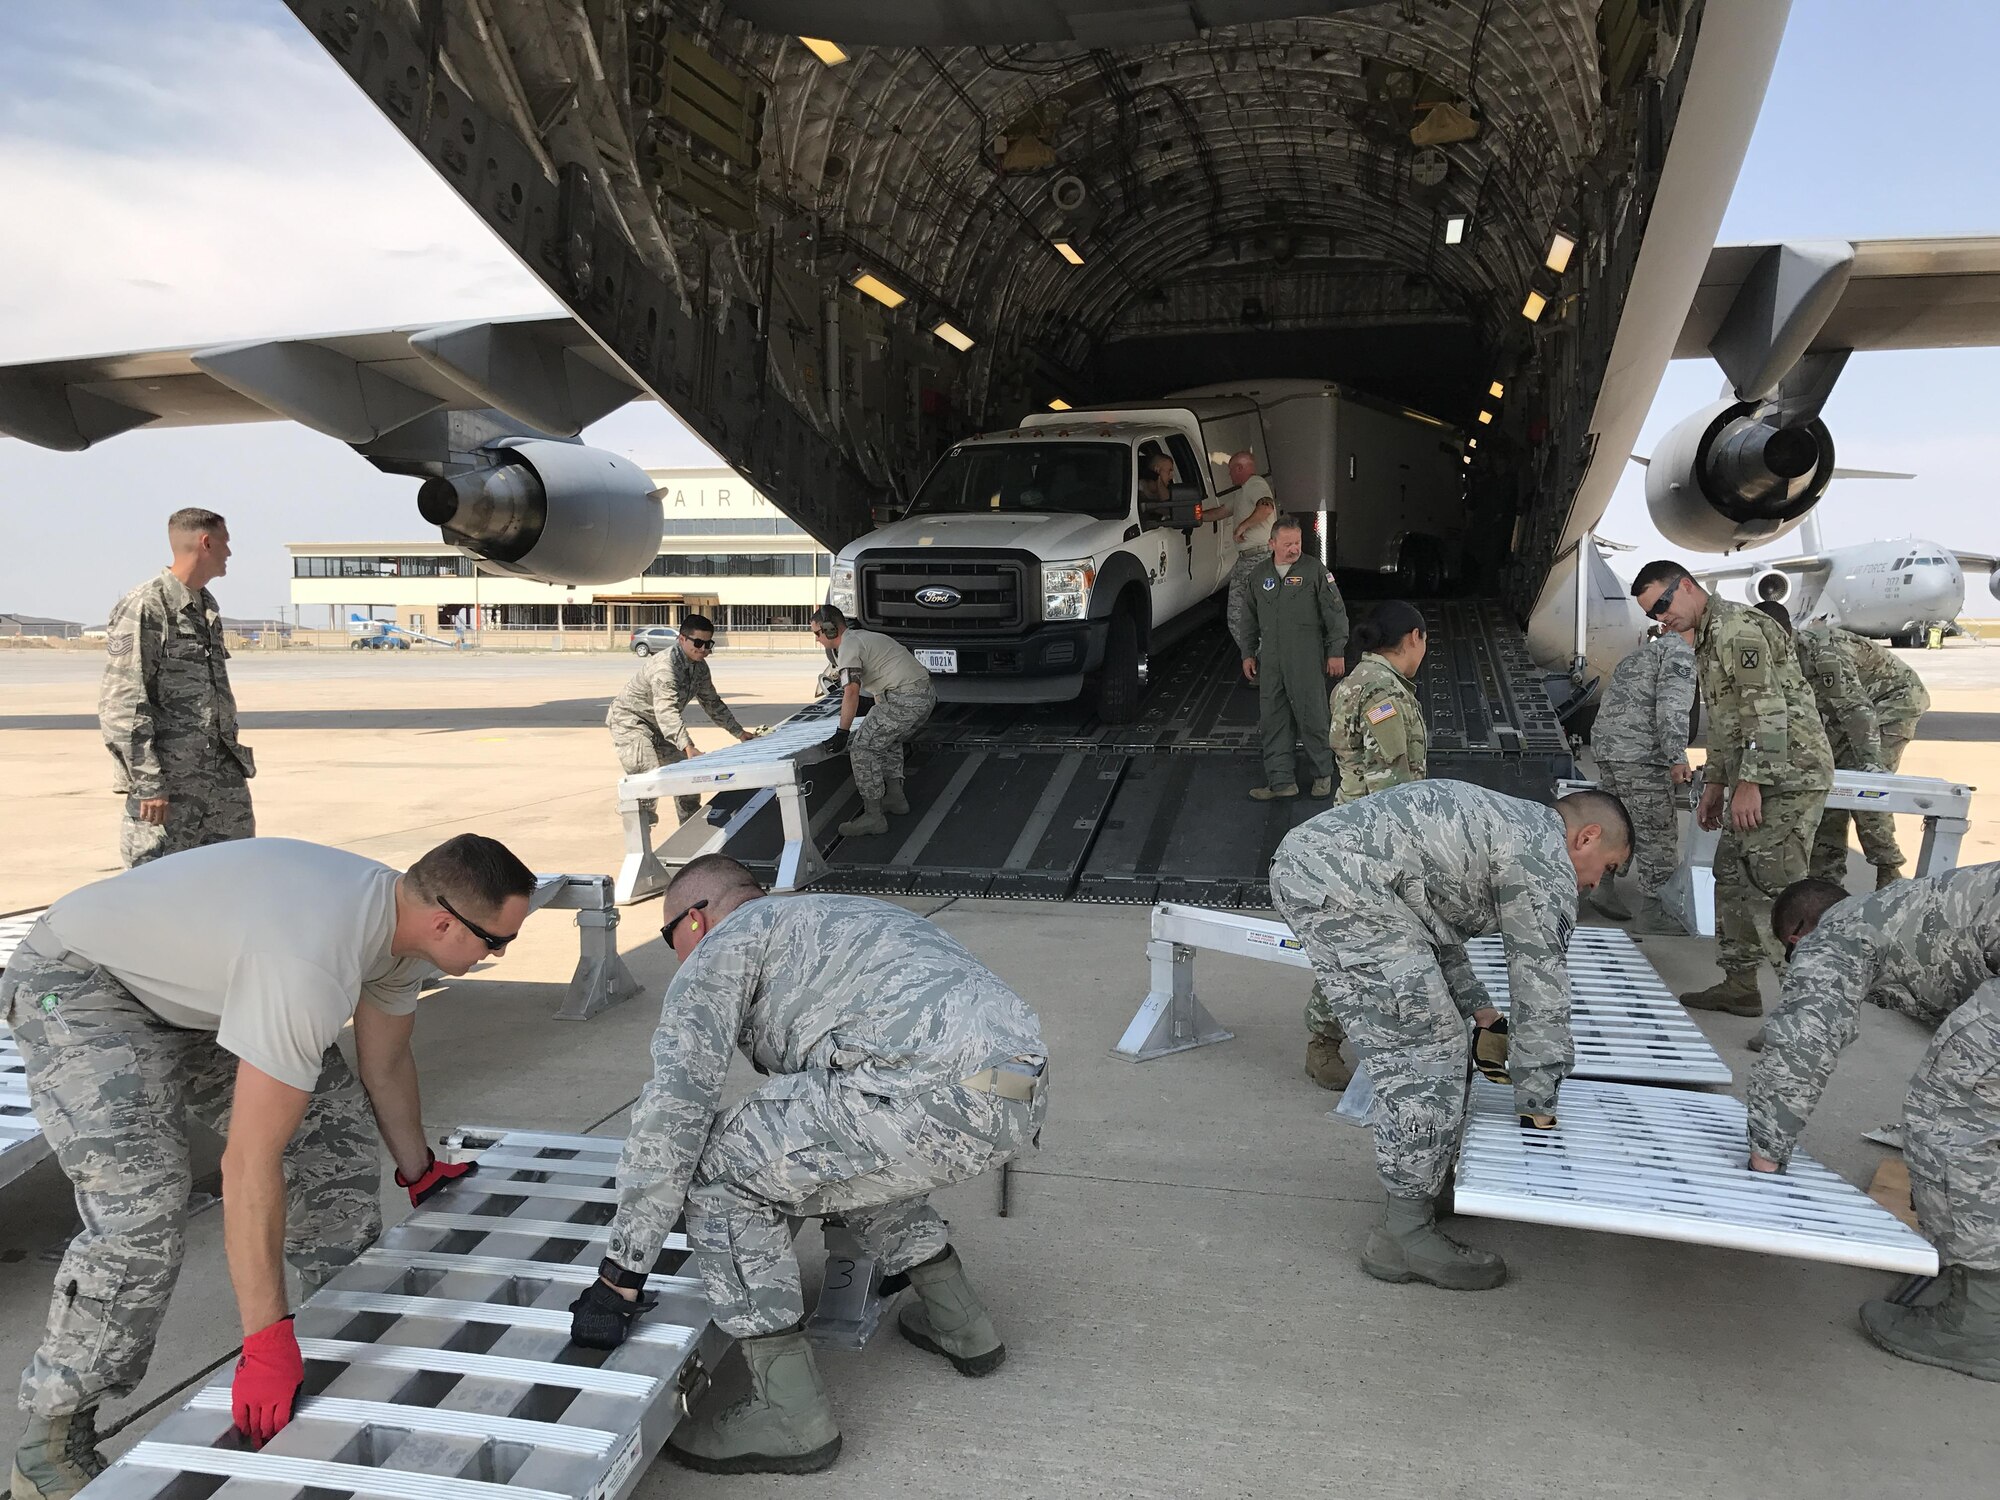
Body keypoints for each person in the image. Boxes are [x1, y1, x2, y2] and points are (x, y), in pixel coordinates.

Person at [0, 834, 536, 1497]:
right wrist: (264, 1341)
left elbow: (386, 1065)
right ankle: (49, 1443)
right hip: (85, 983)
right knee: (143, 1206)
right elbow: (248, 1165)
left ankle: (339, 1323)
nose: (499, 954)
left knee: (331, 1132)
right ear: (444, 921)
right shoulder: (311, 962)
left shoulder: (399, 933)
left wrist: (420, 1170)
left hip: (202, 990)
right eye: (496, 942)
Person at [568, 855, 1047, 1473]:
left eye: (670, 938)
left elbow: (673, 1114)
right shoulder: (844, 915)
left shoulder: (723, 948)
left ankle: (792, 1417)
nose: (678, 954)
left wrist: (620, 1277)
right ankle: (963, 1324)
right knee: (833, 1145)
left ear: (696, 917)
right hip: (1017, 1091)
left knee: (716, 1171)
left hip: (922, 1093)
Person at [1269, 781, 1632, 1291]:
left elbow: (1429, 929)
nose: (1596, 885)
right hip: (1343, 881)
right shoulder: (1546, 861)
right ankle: (1403, 1233)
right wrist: (1539, 1100)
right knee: (1426, 1050)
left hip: (1324, 869)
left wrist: (1480, 1011)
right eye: (1609, 868)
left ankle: (1427, 1178)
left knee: (1446, 1033)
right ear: (1587, 837)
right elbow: (1541, 991)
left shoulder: (1509, 827)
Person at [1749, 868, 2000, 1381]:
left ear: (1799, 933)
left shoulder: (1837, 934)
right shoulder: (1912, 911)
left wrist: (1764, 1154)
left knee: (1951, 1113)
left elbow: (1802, 1043)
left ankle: (1979, 1324)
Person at [1631, 562, 1831, 1017]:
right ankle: (1740, 985)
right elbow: (1725, 721)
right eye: (1652, 615)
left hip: (1788, 776)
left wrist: (1752, 784)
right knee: (1734, 876)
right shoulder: (1705, 638)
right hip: (1754, 774)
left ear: (1686, 587)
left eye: (1662, 604)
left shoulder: (1735, 630)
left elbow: (1768, 710)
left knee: (1775, 890)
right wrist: (1717, 784)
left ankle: (1803, 1015)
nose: (1662, 618)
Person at [1303, 601, 1430, 1090]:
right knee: (1360, 944)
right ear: (1413, 638)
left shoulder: (1355, 681)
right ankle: (1324, 1041)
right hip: (1374, 842)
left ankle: (1334, 1040)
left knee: (1356, 942)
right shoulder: (1384, 693)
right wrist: (1402, 853)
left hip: (1351, 828)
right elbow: (1390, 781)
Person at [99, 508, 256, 868]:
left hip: (219, 785)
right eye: (225, 543)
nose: (229, 553)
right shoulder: (147, 606)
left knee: (231, 879)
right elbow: (123, 703)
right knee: (156, 888)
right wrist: (147, 783)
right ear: (206, 542)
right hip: (170, 789)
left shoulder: (205, 607)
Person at [1790, 615, 1930, 888]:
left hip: (1892, 700)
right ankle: (1825, 879)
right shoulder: (1783, 657)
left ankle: (1889, 872)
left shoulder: (1824, 653)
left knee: (1864, 788)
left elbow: (1857, 710)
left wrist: (1870, 765)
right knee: (1827, 784)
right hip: (1850, 710)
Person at [1586, 625, 1698, 934]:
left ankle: (1599, 884)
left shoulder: (1641, 654)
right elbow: (1672, 708)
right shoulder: (1679, 654)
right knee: (1656, 831)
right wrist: (1677, 756)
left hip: (1609, 749)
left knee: (1615, 823)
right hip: (1641, 755)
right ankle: (1656, 910)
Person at [607, 613, 759, 826]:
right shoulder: (665, 668)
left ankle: (690, 827)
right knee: (647, 776)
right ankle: (640, 832)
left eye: (708, 644)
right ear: (682, 639)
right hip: (631, 721)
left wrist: (739, 733)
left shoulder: (700, 668)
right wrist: (687, 745)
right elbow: (666, 711)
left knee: (688, 773)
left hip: (659, 726)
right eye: (698, 643)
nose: (703, 649)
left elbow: (712, 703)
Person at [1241, 516, 1349, 801]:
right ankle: (1281, 782)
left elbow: (1335, 614)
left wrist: (1336, 651)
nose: (1294, 549)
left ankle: (1323, 775)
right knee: (1273, 719)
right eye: (1287, 544)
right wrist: (1247, 653)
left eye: (1298, 543)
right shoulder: (1259, 575)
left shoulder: (1315, 572)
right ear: (1272, 544)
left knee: (1313, 716)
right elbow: (1248, 619)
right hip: (1271, 662)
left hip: (1305, 658)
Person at [810, 605, 936, 838]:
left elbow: (851, 692)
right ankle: (896, 798)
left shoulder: (848, 646)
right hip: (922, 696)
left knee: (862, 749)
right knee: (886, 739)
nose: (817, 639)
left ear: (830, 630)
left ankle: (873, 817)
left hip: (905, 698)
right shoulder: (863, 637)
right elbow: (881, 683)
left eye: (817, 633)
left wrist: (842, 732)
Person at [1222, 449, 1278, 660]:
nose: (1229, 475)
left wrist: (1242, 527)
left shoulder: (1255, 484)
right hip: (1253, 559)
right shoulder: (1242, 492)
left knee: (1238, 614)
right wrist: (1195, 515)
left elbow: (1266, 507)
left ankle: (1263, 663)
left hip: (1256, 558)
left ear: (1239, 468)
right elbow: (1221, 511)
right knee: (1256, 613)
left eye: (1230, 470)